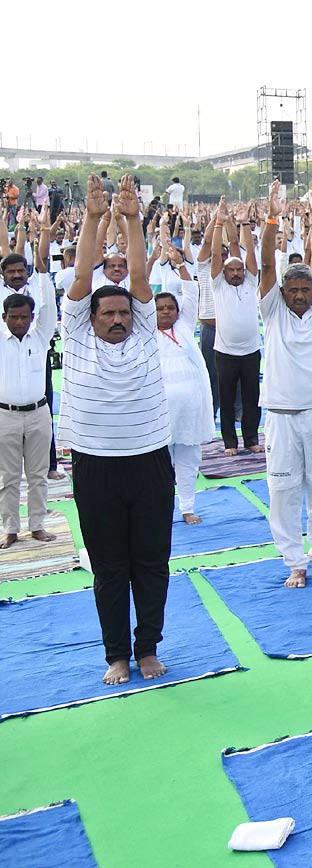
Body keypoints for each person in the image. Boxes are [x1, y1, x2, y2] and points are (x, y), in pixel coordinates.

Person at [60, 174, 173, 686]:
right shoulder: (78, 332)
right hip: (95, 467)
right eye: (107, 312)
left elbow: (141, 277)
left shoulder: (145, 327)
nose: (116, 318)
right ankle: (117, 654)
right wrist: (90, 218)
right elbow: (83, 275)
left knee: (151, 562)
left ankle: (147, 647)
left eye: (123, 311)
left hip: (150, 462)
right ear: (91, 317)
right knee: (110, 569)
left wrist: (131, 220)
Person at [258, 180, 312, 589]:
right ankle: (294, 561)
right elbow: (264, 268)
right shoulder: (272, 310)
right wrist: (273, 218)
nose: (298, 296)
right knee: (284, 491)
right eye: (291, 290)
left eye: (304, 289)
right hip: (280, 414)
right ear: (282, 292)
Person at [0, 220, 58, 549]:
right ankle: (10, 530)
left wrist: (43, 269)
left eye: (24, 317)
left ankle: (37, 526)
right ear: (5, 317)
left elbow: (48, 305)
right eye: (14, 317)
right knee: (7, 478)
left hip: (38, 414)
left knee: (37, 474)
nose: (20, 322)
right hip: (5, 415)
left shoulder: (41, 335)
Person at [153, 219, 213, 525]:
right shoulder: (146, 334)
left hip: (190, 408)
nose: (165, 312)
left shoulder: (184, 327)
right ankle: (160, 507)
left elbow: (191, 293)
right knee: (159, 463)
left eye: (169, 308)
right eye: (160, 308)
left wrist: (180, 266)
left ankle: (187, 506)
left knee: (189, 459)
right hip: (160, 411)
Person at [210, 199, 263, 456]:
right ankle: (230, 443)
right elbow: (214, 255)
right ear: (223, 272)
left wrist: (243, 223)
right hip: (225, 352)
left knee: (252, 398)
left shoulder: (250, 283)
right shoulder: (218, 285)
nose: (235, 273)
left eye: (238, 269)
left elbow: (251, 254)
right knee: (228, 400)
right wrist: (219, 223)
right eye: (230, 269)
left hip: (251, 351)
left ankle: (251, 439)